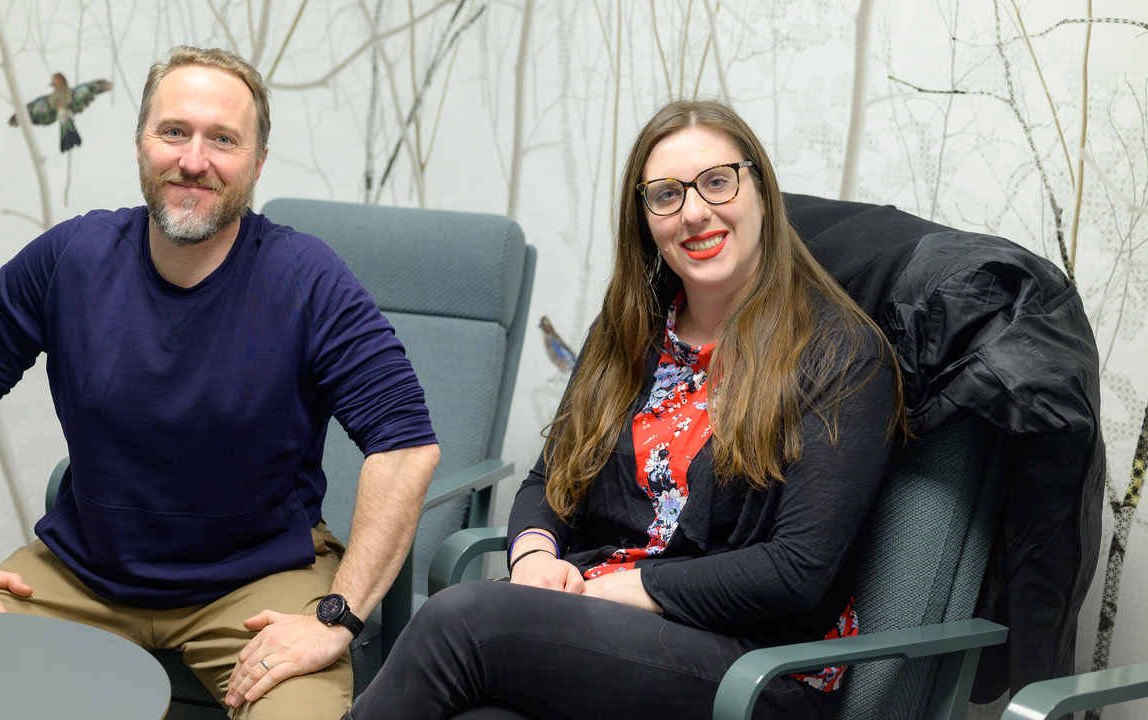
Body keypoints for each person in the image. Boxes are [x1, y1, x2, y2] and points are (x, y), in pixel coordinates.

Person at [0, 46, 440, 720]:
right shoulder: (72, 259)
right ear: (141, 143)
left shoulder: (307, 279)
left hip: (257, 586)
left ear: (257, 163)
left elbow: (405, 444)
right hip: (81, 579)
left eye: (223, 139)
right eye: (174, 132)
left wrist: (337, 616)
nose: (194, 160)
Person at [344, 99, 904, 720]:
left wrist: (627, 588)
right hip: (603, 629)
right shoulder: (629, 333)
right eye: (665, 195)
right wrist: (533, 556)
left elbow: (796, 571)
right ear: (644, 219)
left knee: (462, 621)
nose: (694, 212)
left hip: (756, 667)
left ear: (762, 193)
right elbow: (548, 484)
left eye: (718, 181)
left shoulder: (842, 356)